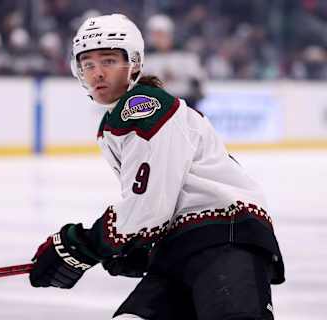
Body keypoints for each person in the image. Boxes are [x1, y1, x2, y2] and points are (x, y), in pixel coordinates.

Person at [29, 14, 285, 320]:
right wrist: (138, 248)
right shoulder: (118, 119)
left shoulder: (142, 107)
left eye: (108, 61)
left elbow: (148, 208)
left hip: (222, 238)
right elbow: (157, 206)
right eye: (88, 64)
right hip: (181, 246)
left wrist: (80, 247)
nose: (97, 73)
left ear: (134, 63)